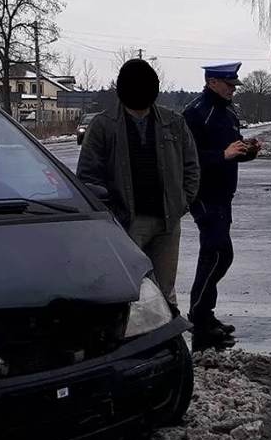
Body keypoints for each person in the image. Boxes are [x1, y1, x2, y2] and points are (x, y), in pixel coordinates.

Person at [76, 59, 200, 314]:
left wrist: (182, 202)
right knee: (129, 290)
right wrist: (110, 214)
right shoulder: (104, 125)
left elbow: (191, 166)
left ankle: (167, 342)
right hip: (126, 222)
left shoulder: (172, 122)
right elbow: (88, 176)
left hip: (167, 220)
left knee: (165, 291)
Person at [182, 62, 261, 346]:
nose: (232, 90)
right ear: (212, 82)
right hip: (203, 195)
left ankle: (204, 313)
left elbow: (233, 151)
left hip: (224, 195)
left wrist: (248, 150)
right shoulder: (195, 113)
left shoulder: (228, 113)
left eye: (234, 86)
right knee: (217, 252)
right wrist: (222, 155)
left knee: (218, 255)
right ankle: (199, 317)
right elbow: (186, 158)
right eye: (228, 85)